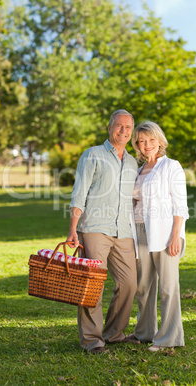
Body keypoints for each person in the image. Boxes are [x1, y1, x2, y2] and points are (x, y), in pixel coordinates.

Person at [67, 110, 138, 354]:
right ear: (109, 128)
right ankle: (92, 340)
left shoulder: (132, 161)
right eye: (119, 126)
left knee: (129, 283)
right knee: (92, 284)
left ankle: (113, 333)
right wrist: (73, 230)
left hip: (123, 231)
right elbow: (80, 193)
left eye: (128, 127)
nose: (124, 131)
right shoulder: (92, 155)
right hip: (95, 228)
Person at [127, 121, 189, 351]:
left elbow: (180, 205)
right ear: (136, 144)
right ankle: (144, 332)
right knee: (142, 286)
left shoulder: (171, 166)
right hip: (139, 230)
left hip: (164, 233)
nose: (147, 145)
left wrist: (176, 236)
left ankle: (169, 338)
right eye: (141, 141)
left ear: (160, 141)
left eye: (151, 140)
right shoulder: (137, 169)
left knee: (168, 287)